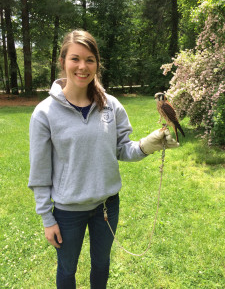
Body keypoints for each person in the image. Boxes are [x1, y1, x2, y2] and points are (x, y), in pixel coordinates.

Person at [28, 29, 179, 289]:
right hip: (67, 211)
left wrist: (148, 144)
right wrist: (47, 218)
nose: (82, 66)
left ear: (97, 64)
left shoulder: (111, 105)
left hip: (107, 207)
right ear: (63, 61)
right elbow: (40, 172)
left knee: (102, 264)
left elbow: (123, 149)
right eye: (75, 58)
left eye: (90, 59)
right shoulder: (45, 113)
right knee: (67, 269)